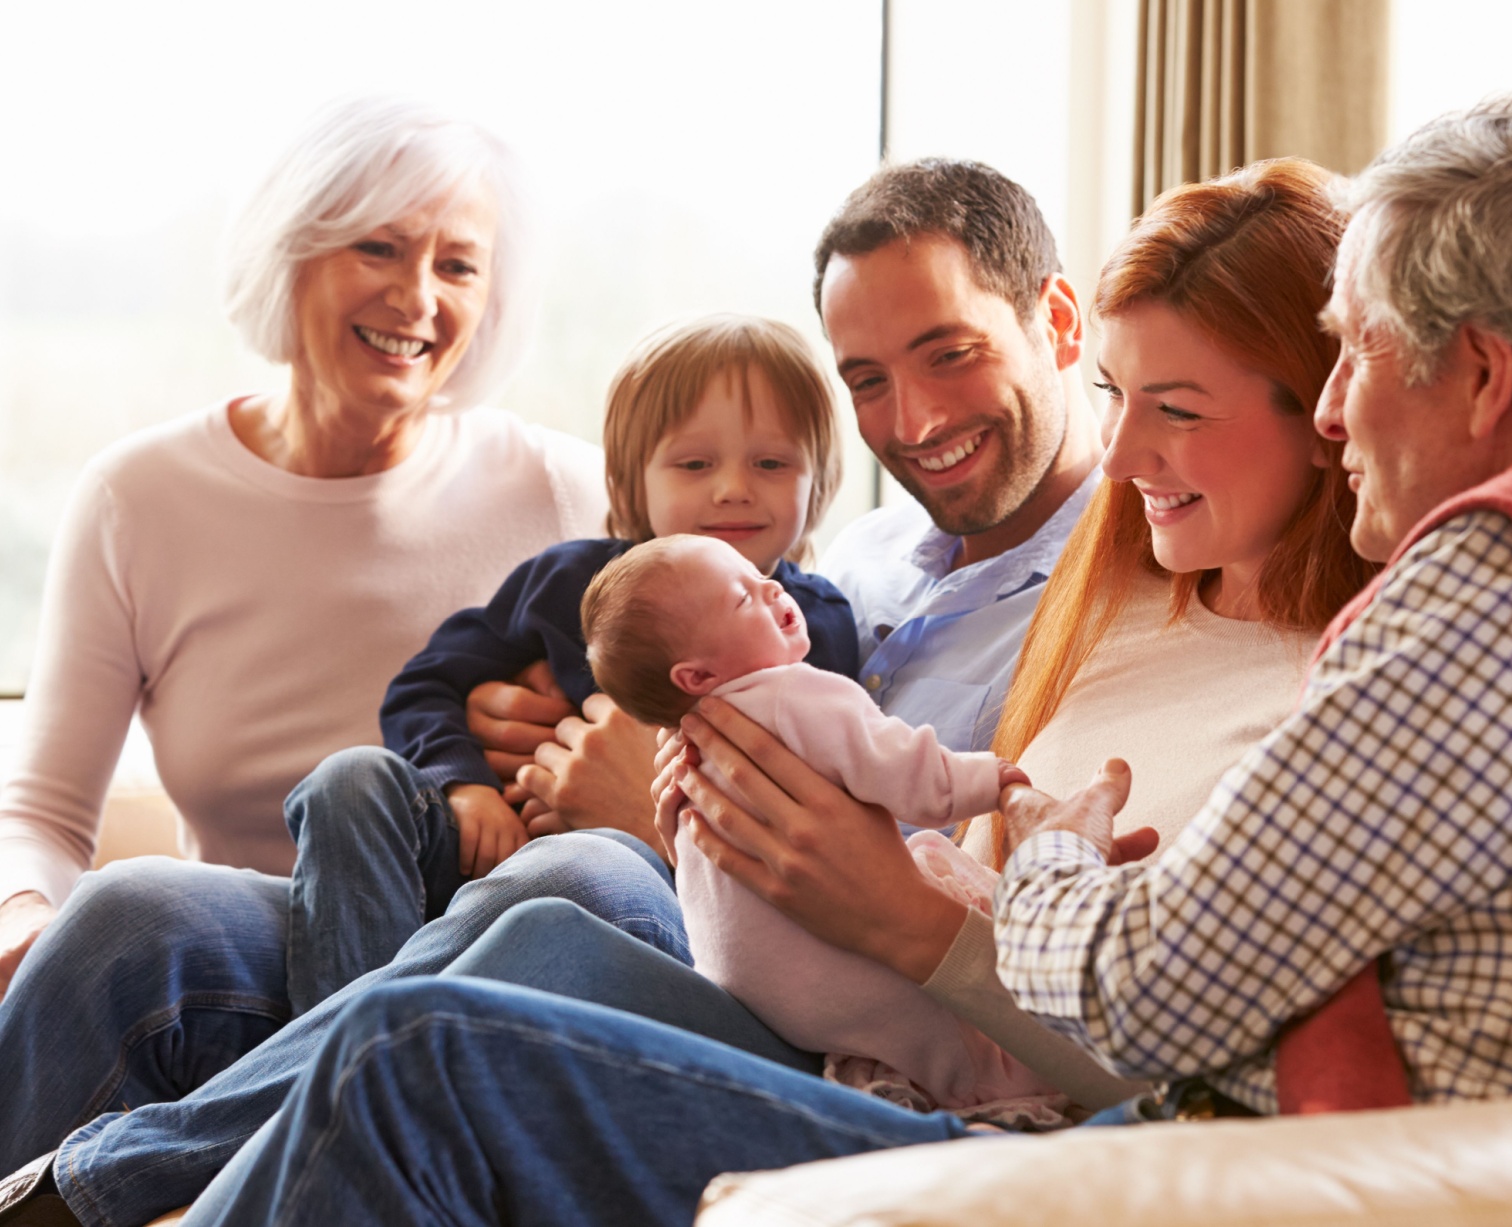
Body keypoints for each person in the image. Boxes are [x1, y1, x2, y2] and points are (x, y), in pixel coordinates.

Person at [173, 156, 1382, 1226]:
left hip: (993, 1107)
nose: (1119, 458)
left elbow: (1214, 1090)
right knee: (194, 923)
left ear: (1330, 408)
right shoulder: (1108, 595)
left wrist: (880, 913)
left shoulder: (1336, 692)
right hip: (851, 1007)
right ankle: (94, 1185)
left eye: (1176, 410)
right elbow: (949, 828)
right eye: (1121, 403)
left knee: (454, 1008)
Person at [0, 159, 1121, 1226]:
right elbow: (619, 614)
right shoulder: (867, 560)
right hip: (628, 892)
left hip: (781, 965)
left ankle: (135, 1173)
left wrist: (654, 813)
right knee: (134, 917)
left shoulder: (1120, 592)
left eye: (951, 353)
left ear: (1062, 326)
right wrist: (486, 734)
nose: (914, 421)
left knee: (568, 878)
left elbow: (962, 888)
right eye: (868, 379)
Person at [0, 98, 607, 1002]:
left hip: (475, 969)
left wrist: (576, 740)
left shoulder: (568, 492)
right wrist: (23, 918)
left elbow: (678, 737)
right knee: (131, 914)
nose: (418, 297)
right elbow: (43, 811)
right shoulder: (138, 498)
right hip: (224, 974)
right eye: (380, 248)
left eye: (458, 265)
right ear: (293, 250)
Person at [281, 316, 859, 1014]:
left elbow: (817, 787)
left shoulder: (814, 623)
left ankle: (359, 1063)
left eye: (772, 464)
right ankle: (337, 1034)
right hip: (479, 846)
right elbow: (427, 683)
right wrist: (465, 788)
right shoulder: (571, 582)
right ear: (630, 478)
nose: (734, 488)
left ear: (819, 479)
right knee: (348, 778)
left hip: (633, 894)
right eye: (695, 464)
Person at [584, 533, 1048, 1114]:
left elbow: (695, 866)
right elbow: (909, 774)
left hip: (745, 990)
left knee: (570, 876)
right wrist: (993, 781)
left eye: (760, 576)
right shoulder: (797, 696)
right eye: (741, 597)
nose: (773, 586)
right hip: (845, 977)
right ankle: (983, 1090)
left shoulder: (685, 750)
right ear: (696, 677)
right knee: (939, 1025)